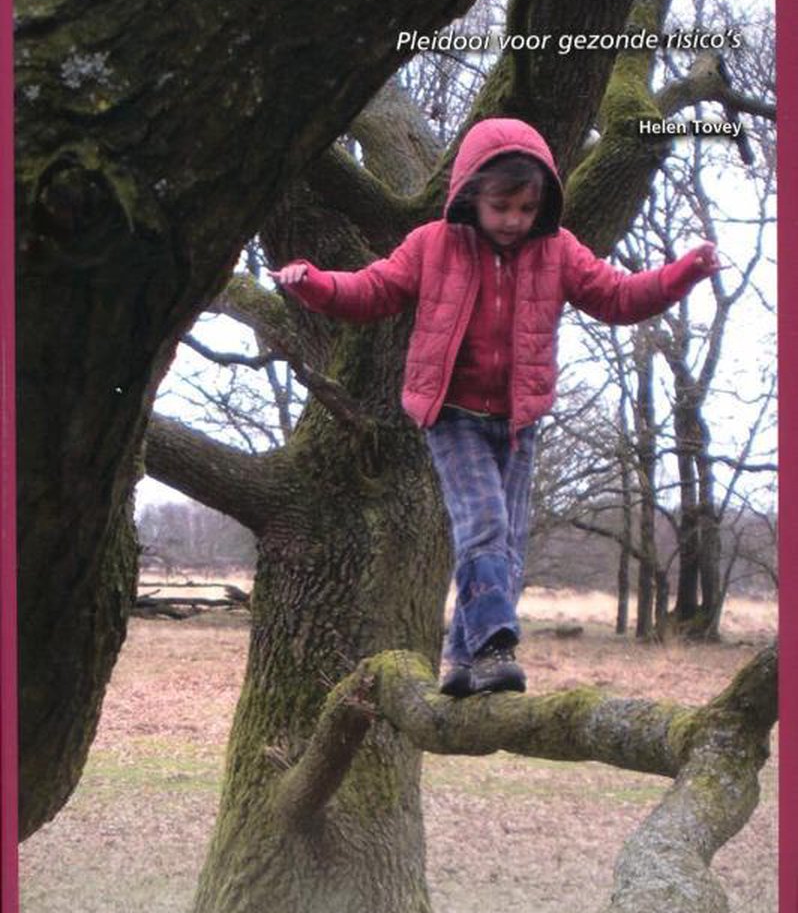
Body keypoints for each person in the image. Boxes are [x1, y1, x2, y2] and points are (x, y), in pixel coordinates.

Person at [269, 118, 720, 697]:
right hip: (454, 416)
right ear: (471, 195)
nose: (514, 220)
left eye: (527, 208)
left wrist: (683, 271)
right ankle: (494, 647)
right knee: (482, 526)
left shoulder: (558, 251)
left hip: (516, 423)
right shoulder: (432, 245)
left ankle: (461, 664)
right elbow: (373, 290)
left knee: (507, 547)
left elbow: (618, 296)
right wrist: (314, 285)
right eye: (502, 206)